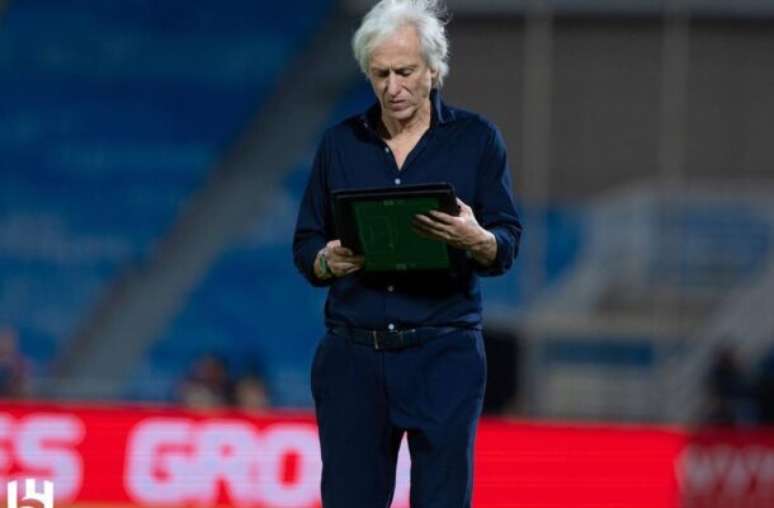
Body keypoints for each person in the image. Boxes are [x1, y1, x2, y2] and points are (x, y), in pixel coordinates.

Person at [292, 1, 522, 506]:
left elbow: (506, 241)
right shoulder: (339, 144)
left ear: (434, 70)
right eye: (380, 74)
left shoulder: (477, 140)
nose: (392, 87)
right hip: (352, 358)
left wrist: (478, 239)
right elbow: (305, 244)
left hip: (444, 353)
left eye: (405, 71)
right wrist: (326, 260)